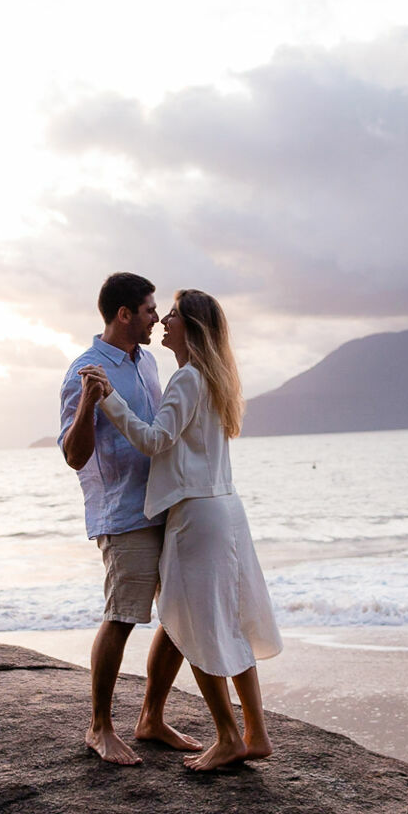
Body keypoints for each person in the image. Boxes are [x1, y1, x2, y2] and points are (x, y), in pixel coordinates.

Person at [80, 289, 281, 771]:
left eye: (171, 314)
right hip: (225, 510)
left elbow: (155, 440)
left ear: (189, 326)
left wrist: (108, 399)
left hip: (196, 517)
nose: (164, 321)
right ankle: (255, 732)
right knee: (228, 620)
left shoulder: (187, 378)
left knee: (195, 626)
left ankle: (229, 737)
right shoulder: (216, 378)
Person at [59, 272, 202, 765]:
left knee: (180, 615)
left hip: (165, 506)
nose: (156, 318)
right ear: (124, 314)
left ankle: (151, 718)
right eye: (148, 310)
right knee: (122, 617)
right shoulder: (86, 369)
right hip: (122, 514)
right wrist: (87, 406)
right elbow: (75, 456)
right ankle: (99, 728)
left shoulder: (150, 363)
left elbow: (158, 432)